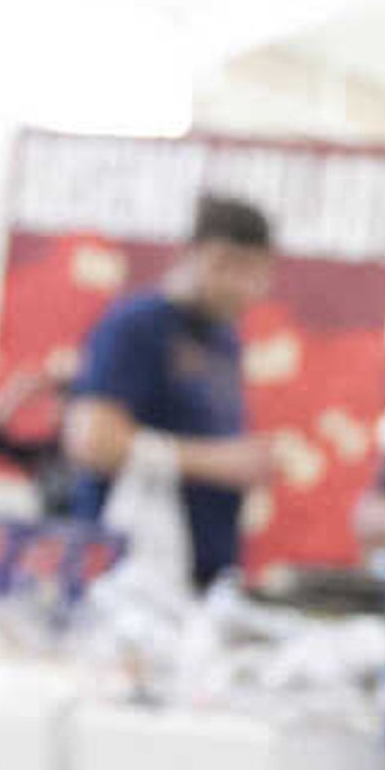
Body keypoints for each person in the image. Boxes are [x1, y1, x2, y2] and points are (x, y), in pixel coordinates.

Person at [62, 194, 279, 591]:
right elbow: (92, 440)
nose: (242, 286)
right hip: (128, 575)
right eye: (228, 267)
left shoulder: (224, 340)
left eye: (254, 272)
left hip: (199, 574)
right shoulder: (137, 326)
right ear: (191, 255)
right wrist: (220, 463)